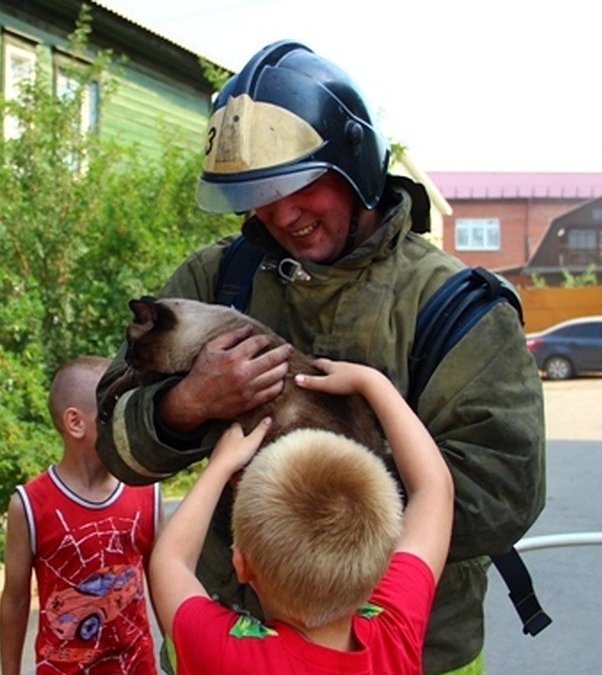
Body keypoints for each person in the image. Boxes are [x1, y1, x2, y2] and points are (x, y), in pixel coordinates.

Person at [96, 40, 546, 674]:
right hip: (257, 636)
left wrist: (306, 543)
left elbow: (503, 493)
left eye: (300, 182)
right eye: (259, 191)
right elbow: (114, 438)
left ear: (355, 164)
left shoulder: (452, 306)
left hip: (418, 653)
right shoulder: (213, 281)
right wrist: (187, 404)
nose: (282, 213)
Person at [150, 359, 454, 673]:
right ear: (382, 562)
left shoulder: (228, 655)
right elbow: (434, 488)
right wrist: (373, 383)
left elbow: (170, 561)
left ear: (241, 564)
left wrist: (220, 466)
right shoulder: (393, 630)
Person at [0, 356, 162, 674]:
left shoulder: (147, 493)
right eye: (114, 412)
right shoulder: (30, 505)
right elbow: (15, 601)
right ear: (75, 423)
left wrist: (180, 654)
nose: (126, 423)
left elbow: (162, 583)